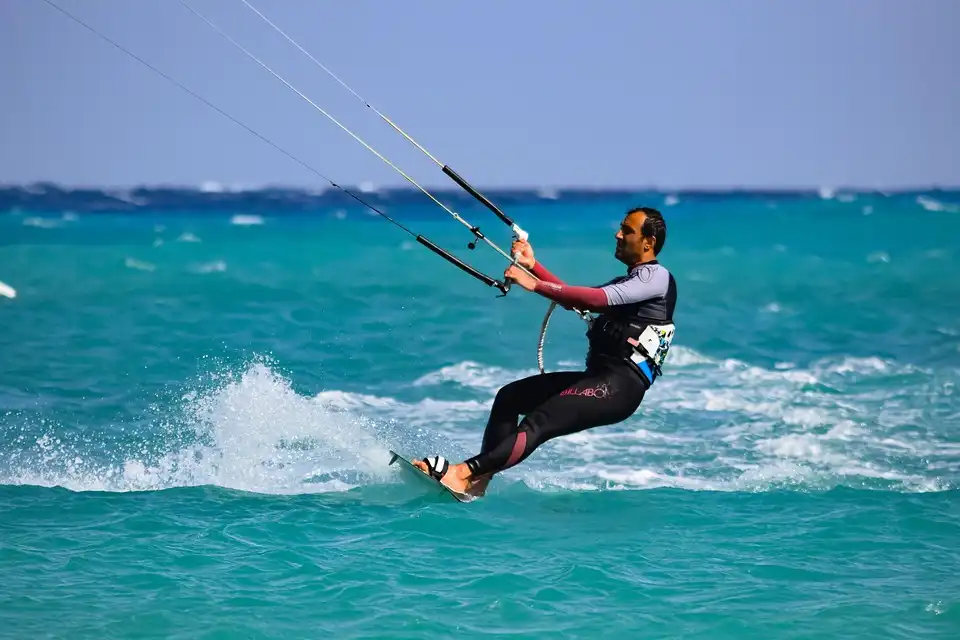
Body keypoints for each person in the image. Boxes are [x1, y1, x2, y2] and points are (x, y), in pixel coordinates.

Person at [413, 206, 677, 496]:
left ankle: (463, 473)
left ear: (648, 242)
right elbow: (577, 299)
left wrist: (534, 284)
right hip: (601, 379)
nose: (618, 234)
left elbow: (596, 299)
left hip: (618, 388)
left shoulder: (657, 277)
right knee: (509, 398)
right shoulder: (629, 282)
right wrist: (533, 265)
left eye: (627, 230)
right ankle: (478, 483)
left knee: (539, 422)